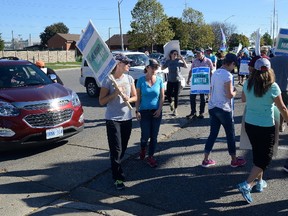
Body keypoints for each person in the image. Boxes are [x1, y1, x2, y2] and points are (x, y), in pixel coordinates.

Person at [237, 58, 288, 203]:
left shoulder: (248, 83)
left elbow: (243, 99)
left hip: (250, 124)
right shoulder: (273, 87)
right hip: (266, 126)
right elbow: (282, 108)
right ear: (269, 70)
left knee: (258, 153)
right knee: (265, 159)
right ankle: (247, 184)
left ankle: (259, 182)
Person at [99, 54, 137, 190]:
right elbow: (101, 101)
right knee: (117, 149)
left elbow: (135, 97)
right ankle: (118, 177)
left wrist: (128, 98)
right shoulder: (108, 80)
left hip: (127, 118)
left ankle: (115, 162)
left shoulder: (129, 78)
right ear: (118, 64)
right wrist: (114, 94)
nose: (129, 65)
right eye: (127, 63)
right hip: (112, 119)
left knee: (123, 149)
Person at [202, 53, 246, 168]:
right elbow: (229, 95)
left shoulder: (215, 73)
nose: (234, 68)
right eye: (234, 65)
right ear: (231, 63)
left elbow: (212, 89)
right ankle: (234, 159)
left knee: (213, 134)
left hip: (213, 106)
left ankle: (206, 159)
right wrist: (235, 91)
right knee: (230, 134)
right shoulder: (228, 75)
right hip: (224, 108)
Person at [135, 59, 165, 168]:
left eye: (156, 67)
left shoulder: (160, 80)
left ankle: (150, 156)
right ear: (147, 67)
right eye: (153, 67)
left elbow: (162, 96)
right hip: (144, 112)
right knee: (145, 135)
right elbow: (138, 98)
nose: (155, 70)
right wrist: (137, 110)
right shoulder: (140, 80)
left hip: (156, 111)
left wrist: (160, 109)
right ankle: (143, 148)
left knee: (154, 136)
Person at [270, 55, 288, 173]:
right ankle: (282, 124)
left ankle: (277, 127)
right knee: (283, 107)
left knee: (275, 108)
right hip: (285, 87)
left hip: (273, 87)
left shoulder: (273, 59)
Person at [186, 48, 213, 119]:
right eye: (196, 53)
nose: (197, 55)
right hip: (196, 83)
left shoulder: (208, 61)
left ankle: (201, 113)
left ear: (202, 53)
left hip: (204, 83)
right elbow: (191, 71)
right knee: (192, 97)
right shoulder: (195, 61)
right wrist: (188, 79)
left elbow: (211, 71)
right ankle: (193, 112)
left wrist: (212, 81)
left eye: (198, 53)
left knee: (202, 98)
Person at [161, 49, 188, 116]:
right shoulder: (168, 61)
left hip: (177, 80)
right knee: (168, 95)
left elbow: (186, 66)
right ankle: (171, 103)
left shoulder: (178, 61)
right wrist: (163, 61)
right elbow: (162, 68)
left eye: (176, 54)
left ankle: (175, 110)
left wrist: (182, 59)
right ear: (171, 54)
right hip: (170, 80)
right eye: (174, 54)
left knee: (176, 96)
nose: (175, 55)